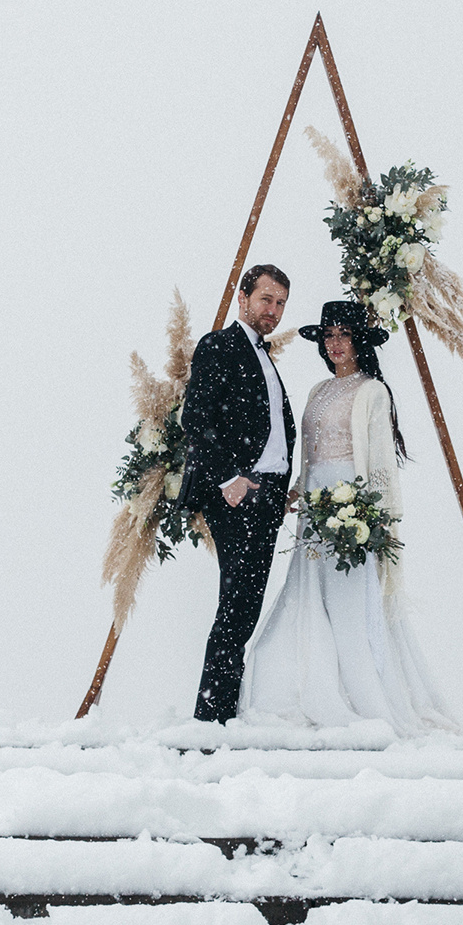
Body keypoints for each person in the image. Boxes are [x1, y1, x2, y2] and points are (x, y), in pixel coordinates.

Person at [240, 299, 456, 733]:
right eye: (329, 335)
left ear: (359, 341)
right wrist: (294, 493)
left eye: (344, 334)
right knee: (306, 592)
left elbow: (378, 464)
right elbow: (309, 455)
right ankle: (299, 687)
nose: (335, 343)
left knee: (348, 601)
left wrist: (370, 517)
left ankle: (360, 693)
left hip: (348, 504)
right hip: (313, 507)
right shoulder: (318, 391)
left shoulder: (372, 391)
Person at [179, 263, 295, 723]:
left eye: (281, 303)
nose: (273, 310)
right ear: (243, 298)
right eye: (266, 299)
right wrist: (229, 479)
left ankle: (222, 712)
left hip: (267, 498)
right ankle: (211, 719)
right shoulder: (219, 346)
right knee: (235, 608)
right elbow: (196, 419)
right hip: (238, 495)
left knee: (245, 606)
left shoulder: (264, 355)